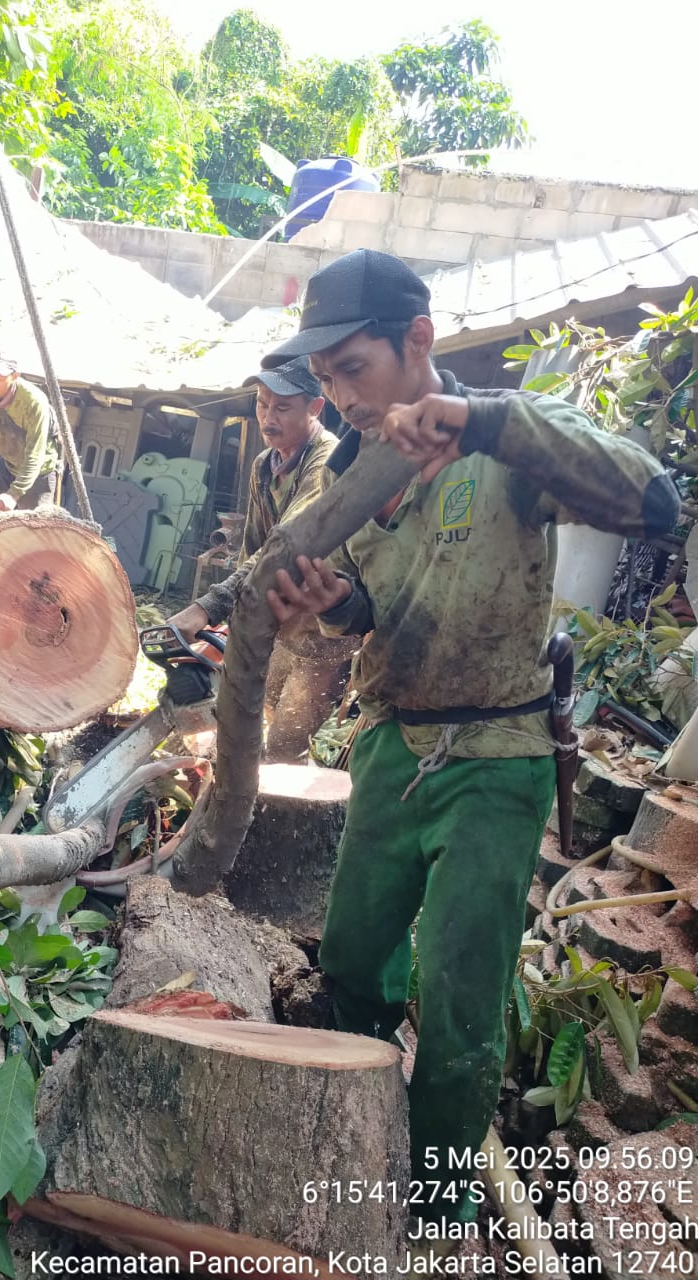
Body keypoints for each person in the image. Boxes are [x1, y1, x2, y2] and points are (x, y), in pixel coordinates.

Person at [263, 249, 680, 1225]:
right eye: (322, 377)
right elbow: (377, 605)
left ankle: (439, 1210)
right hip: (390, 747)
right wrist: (337, 604)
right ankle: (353, 1151)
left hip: (498, 758)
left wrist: (489, 420)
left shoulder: (503, 438)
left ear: (419, 340)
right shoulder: (353, 473)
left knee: (458, 1002)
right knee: (357, 965)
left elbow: (654, 503)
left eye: (351, 367)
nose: (338, 393)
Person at [168, 357, 357, 761]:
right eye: (261, 404)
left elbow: (285, 547)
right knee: (250, 727)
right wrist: (234, 622)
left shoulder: (327, 463)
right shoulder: (264, 465)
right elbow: (252, 548)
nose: (268, 418)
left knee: (285, 749)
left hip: (327, 632)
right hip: (281, 626)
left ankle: (285, 823)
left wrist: (208, 606)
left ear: (315, 408)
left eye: (282, 408)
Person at [0, 345, 61, 510]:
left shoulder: (34, 402)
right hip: (9, 466)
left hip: (40, 472)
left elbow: (34, 455)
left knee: (33, 530)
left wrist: (13, 495)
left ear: (15, 375)